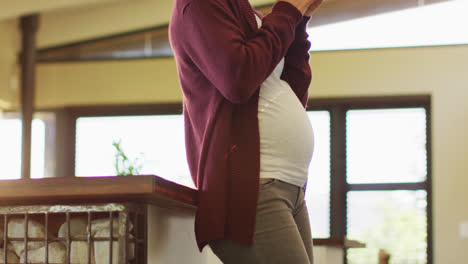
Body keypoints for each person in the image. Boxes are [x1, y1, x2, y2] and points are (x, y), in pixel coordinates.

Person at [169, 0, 322, 263]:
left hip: (287, 187)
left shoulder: (244, 11)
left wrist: (298, 21)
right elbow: (238, 77)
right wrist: (288, 11)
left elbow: (293, 86)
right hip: (253, 190)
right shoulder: (198, 5)